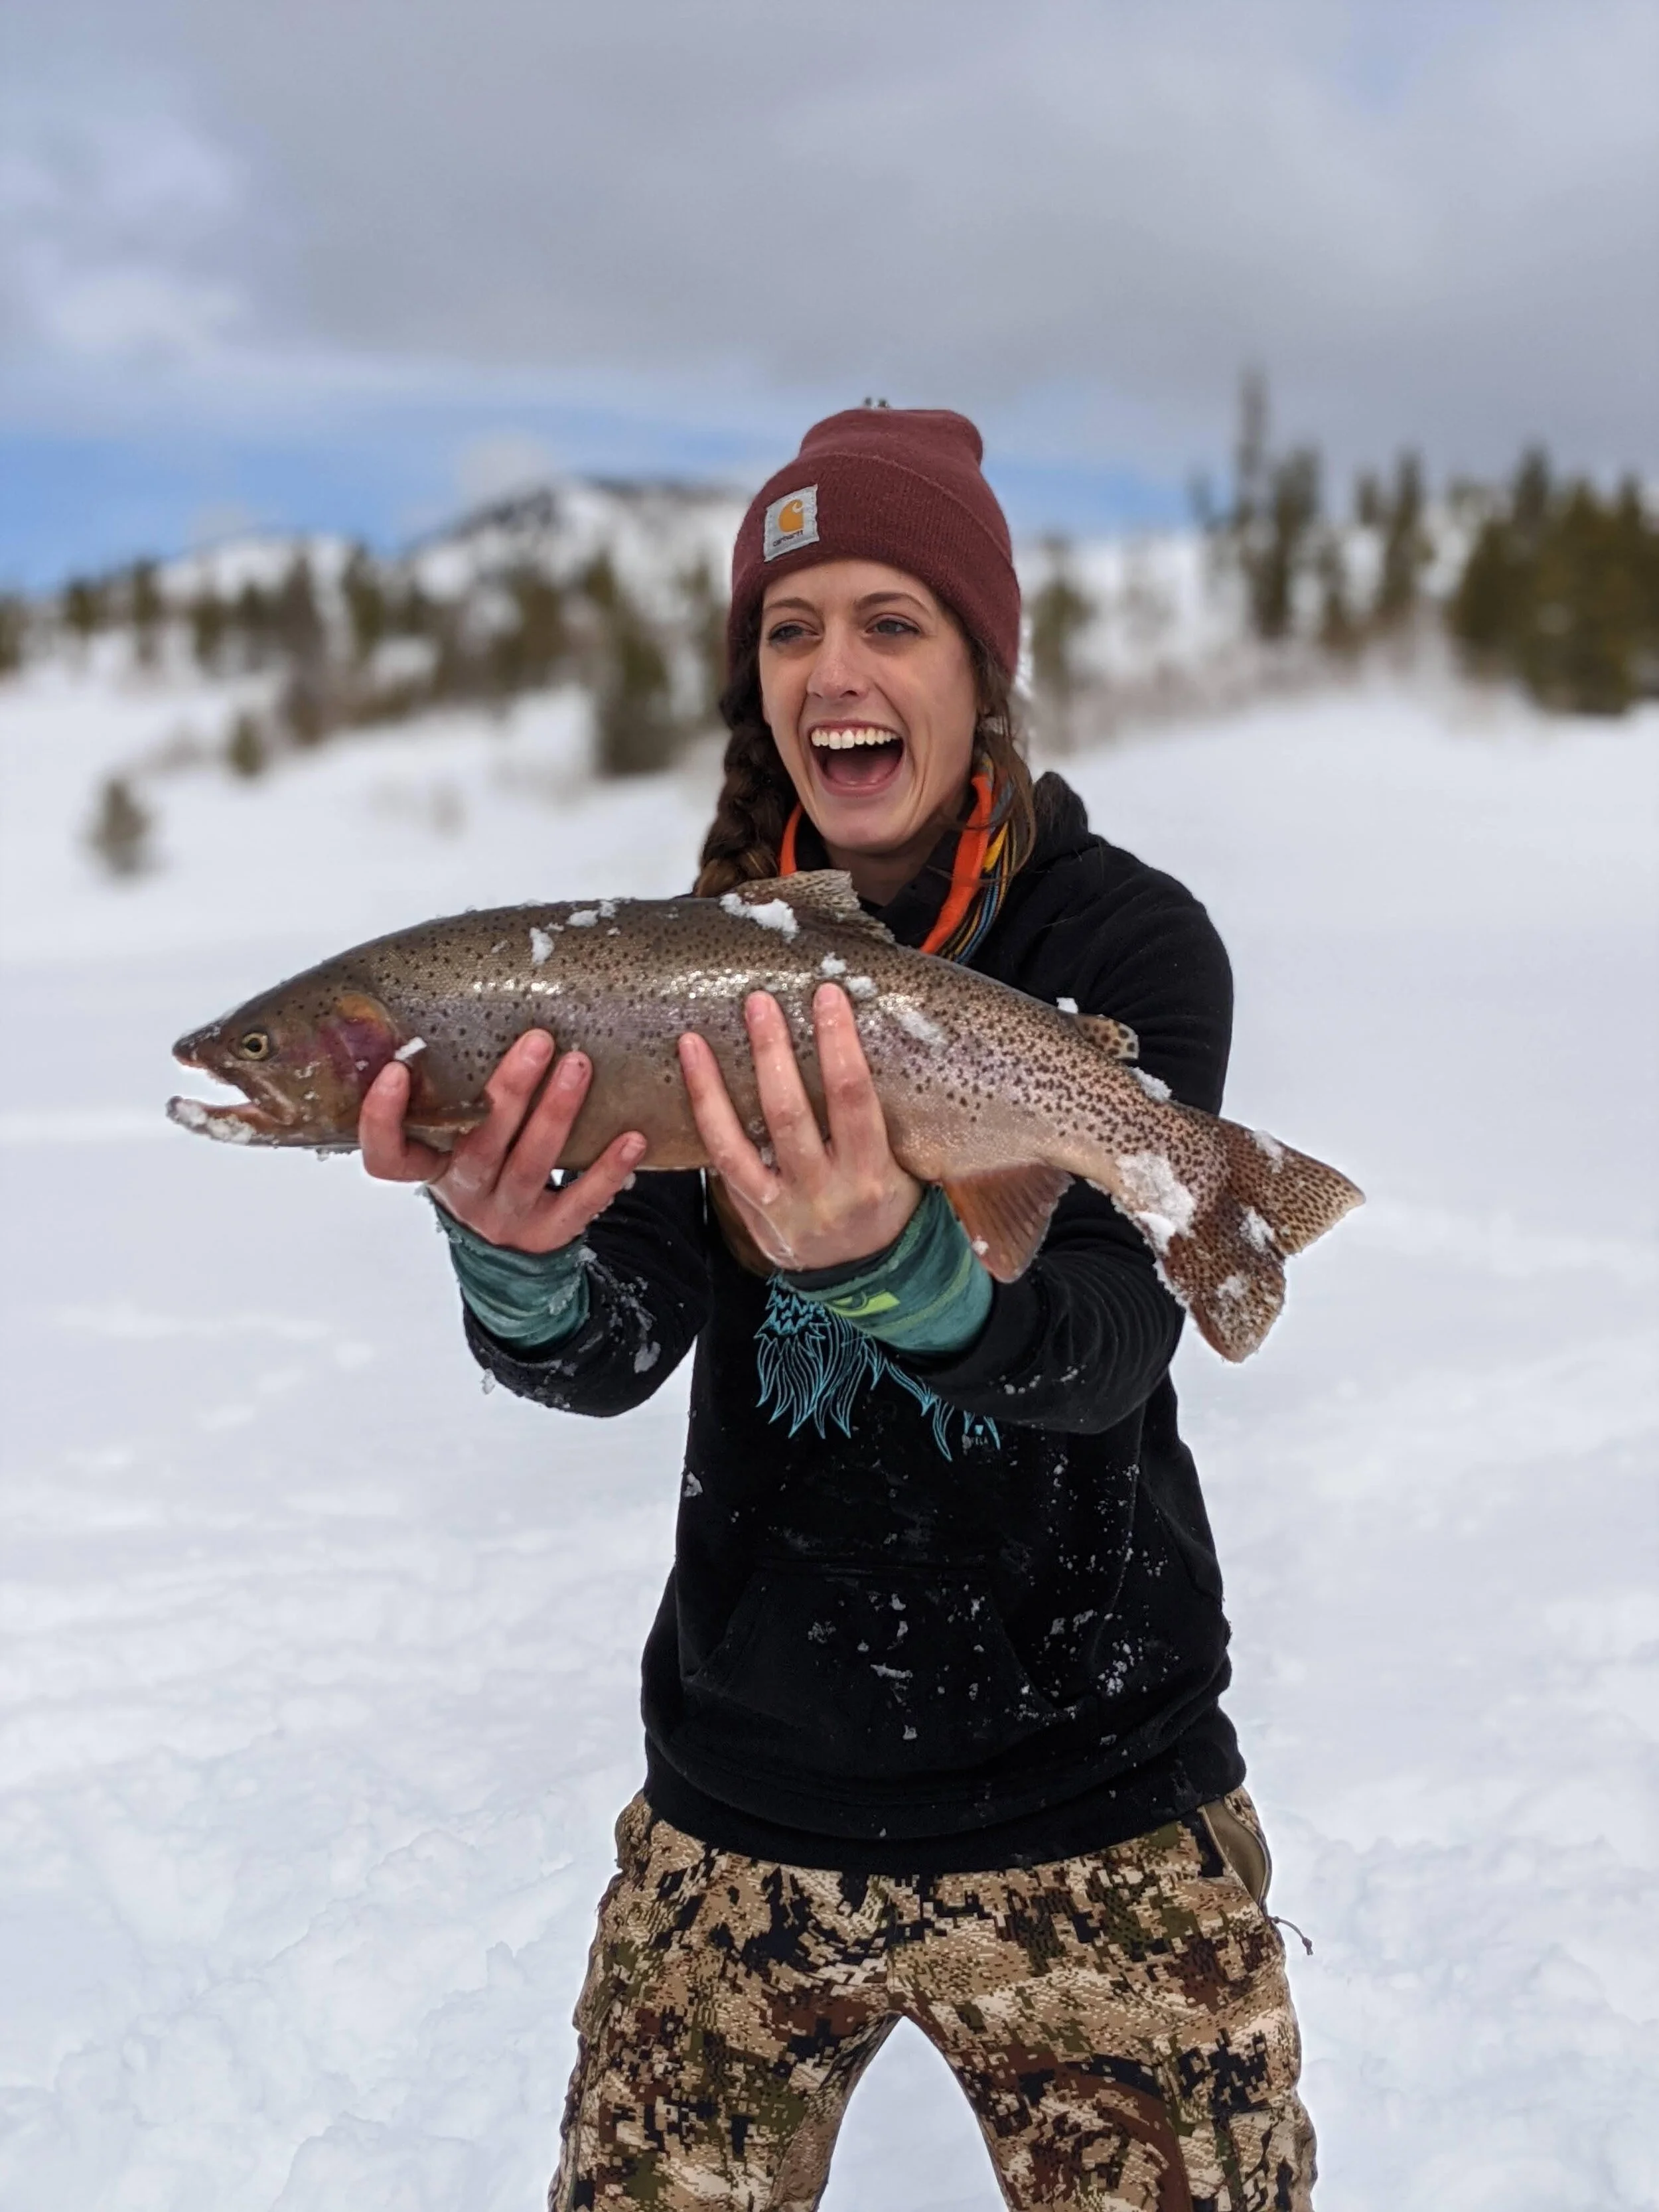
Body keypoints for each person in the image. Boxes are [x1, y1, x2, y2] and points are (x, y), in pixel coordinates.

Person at [360, 407, 1317, 2211]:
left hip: (1093, 1794)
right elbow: (611, 1351)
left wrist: (894, 1261)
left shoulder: (1120, 945)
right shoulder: (677, 968)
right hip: (743, 1802)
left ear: (981, 667)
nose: (834, 668)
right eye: (788, 631)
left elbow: (1104, 1356)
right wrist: (516, 1252)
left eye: (892, 618)